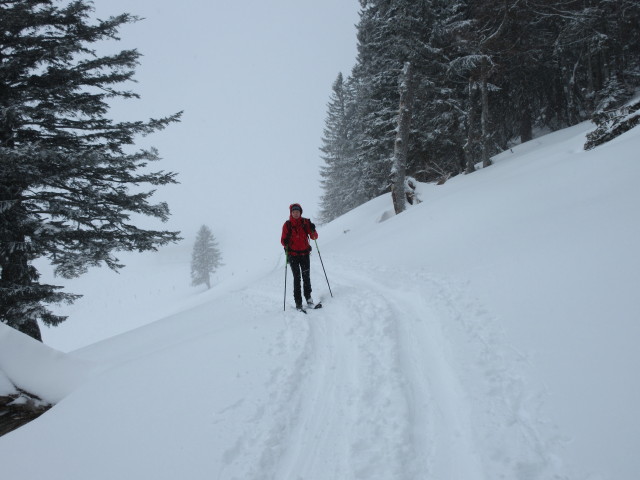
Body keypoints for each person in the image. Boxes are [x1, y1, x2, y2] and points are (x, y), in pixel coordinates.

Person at [281, 203, 318, 311]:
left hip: (305, 254)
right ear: (291, 213)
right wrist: (285, 241)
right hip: (293, 256)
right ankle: (298, 303)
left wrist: (312, 229)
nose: (296, 213)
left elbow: (314, 237)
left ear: (300, 212)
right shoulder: (287, 225)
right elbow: (283, 241)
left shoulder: (305, 222)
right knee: (297, 278)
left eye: (297, 212)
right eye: (294, 212)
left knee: (306, 277)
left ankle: (309, 298)